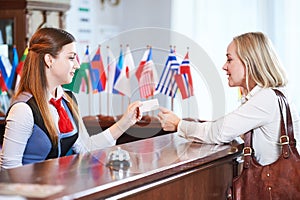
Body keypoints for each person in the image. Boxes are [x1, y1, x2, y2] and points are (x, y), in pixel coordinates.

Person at [0, 27, 142, 169]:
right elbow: (9, 167)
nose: (77, 65)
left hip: (61, 187)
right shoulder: (23, 109)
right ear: (49, 60)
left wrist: (126, 122)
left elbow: (85, 147)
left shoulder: (67, 99)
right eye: (71, 58)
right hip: (34, 189)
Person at [158, 32, 300, 166]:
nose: (224, 66)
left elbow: (218, 133)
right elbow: (229, 127)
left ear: (249, 62)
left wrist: (178, 124)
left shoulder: (266, 98)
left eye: (230, 59)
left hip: (272, 189)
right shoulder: (272, 95)